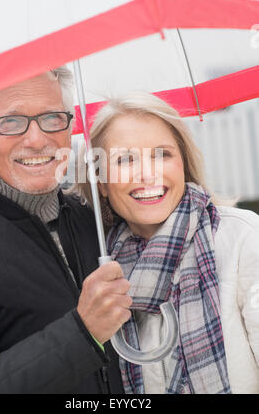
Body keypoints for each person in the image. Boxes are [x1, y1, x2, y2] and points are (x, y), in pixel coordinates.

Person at [0, 67, 132, 394]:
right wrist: (83, 333)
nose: (37, 139)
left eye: (52, 118)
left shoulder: (90, 218)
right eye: (10, 122)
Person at [76, 91, 259, 394]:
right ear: (102, 183)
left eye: (162, 154)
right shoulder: (98, 266)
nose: (148, 173)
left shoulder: (244, 239)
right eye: (125, 159)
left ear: (183, 164)